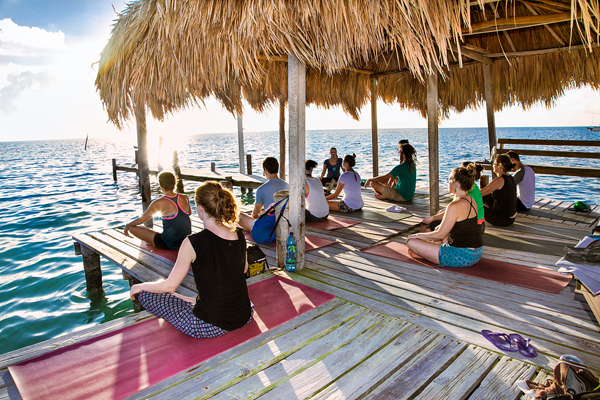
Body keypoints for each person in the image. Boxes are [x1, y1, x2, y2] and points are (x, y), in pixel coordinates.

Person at [130, 181, 253, 338]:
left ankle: (194, 302)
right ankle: (196, 301)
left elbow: (170, 285)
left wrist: (140, 287)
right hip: (244, 315)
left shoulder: (192, 242)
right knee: (184, 296)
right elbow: (243, 269)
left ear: (200, 209)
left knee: (146, 295)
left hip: (210, 325)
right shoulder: (240, 234)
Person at [406, 166, 483, 267]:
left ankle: (426, 253)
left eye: (450, 179)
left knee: (411, 242)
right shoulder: (471, 200)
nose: (447, 182)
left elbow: (440, 235)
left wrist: (416, 236)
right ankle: (427, 251)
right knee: (437, 229)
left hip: (462, 256)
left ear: (456, 184)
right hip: (477, 253)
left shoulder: (454, 205)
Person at [124, 171, 191, 250]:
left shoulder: (158, 202)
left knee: (132, 228)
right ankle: (152, 240)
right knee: (150, 231)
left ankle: (152, 241)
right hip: (186, 242)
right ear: (174, 183)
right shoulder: (185, 197)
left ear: (161, 186)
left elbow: (141, 219)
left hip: (169, 244)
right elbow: (189, 213)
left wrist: (128, 225)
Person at [424, 162, 485, 233]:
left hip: (474, 227)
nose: (447, 182)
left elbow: (455, 211)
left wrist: (432, 218)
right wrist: (445, 210)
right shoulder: (467, 190)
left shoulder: (466, 192)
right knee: (438, 221)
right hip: (478, 226)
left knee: (434, 224)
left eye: (450, 179)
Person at [480, 154, 517, 226]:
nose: (493, 165)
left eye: (494, 163)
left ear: (500, 166)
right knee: (484, 195)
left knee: (474, 203)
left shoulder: (500, 180)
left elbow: (480, 193)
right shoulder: (510, 177)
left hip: (503, 219)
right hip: (510, 217)